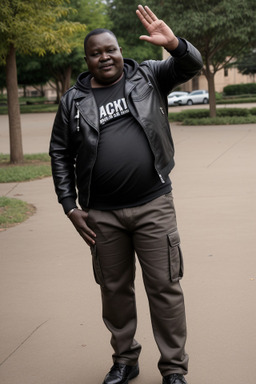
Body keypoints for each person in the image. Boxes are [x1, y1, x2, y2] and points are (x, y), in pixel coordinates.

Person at [49, 5, 203, 384]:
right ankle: (125, 360)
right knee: (114, 290)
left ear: (120, 51)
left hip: (153, 204)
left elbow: (191, 67)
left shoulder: (148, 76)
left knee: (165, 287)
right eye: (96, 52)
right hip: (102, 214)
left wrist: (176, 45)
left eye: (110, 49)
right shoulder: (73, 101)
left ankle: (174, 369)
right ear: (87, 59)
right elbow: (59, 153)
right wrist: (70, 206)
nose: (105, 56)